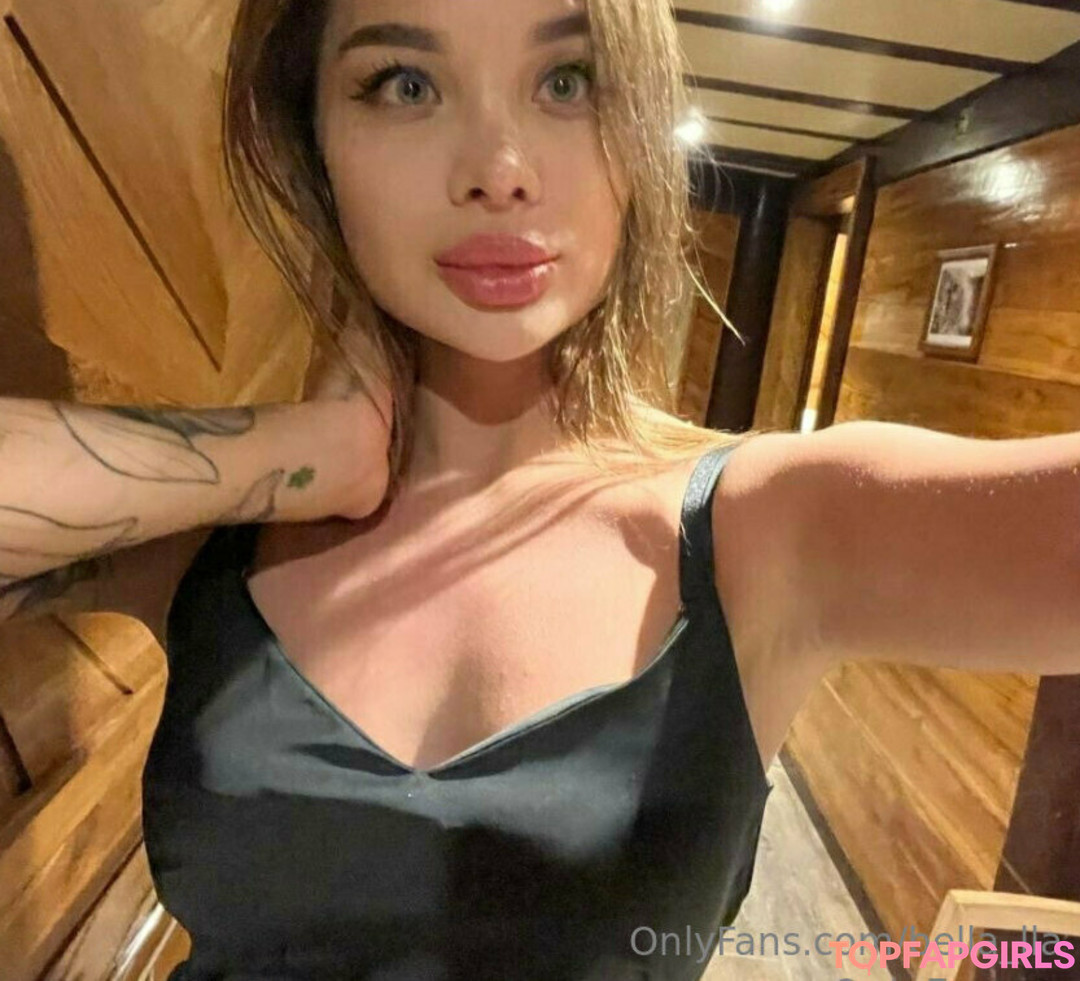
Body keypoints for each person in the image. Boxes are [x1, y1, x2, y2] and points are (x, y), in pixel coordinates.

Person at [1, 1, 1078, 978]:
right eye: (405, 84)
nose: (501, 169)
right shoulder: (222, 536)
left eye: (569, 81)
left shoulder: (772, 526)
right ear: (312, 145)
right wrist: (296, 453)